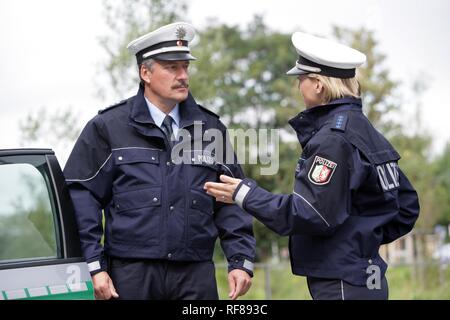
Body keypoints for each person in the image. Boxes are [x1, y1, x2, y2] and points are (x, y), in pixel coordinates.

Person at [204, 31, 420, 300]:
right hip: (369, 278)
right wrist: (363, 241)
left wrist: (245, 194)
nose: (299, 87)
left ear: (318, 84)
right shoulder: (368, 132)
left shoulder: (333, 139)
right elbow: (407, 206)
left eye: (301, 79)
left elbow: (309, 213)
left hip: (341, 282)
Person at [64, 22, 255, 300]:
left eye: (185, 67)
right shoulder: (107, 127)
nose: (183, 76)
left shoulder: (210, 128)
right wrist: (95, 265)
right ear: (145, 73)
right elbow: (82, 196)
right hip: (130, 275)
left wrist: (240, 260)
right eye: (172, 67)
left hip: (195, 274)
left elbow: (231, 197)